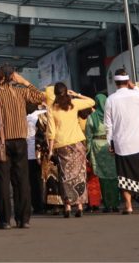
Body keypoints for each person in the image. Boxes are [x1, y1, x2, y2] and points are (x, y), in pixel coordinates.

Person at [0, 65, 46, 229]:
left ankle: (4, 220)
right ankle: (23, 219)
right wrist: (25, 82)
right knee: (22, 180)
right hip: (21, 141)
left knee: (2, 181)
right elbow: (41, 97)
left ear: (0, 76)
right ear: (13, 76)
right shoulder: (21, 92)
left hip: (1, 142)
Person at [105, 69, 139, 214]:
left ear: (115, 83)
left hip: (122, 143)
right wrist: (135, 87)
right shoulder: (136, 95)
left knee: (124, 176)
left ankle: (128, 206)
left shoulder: (110, 100)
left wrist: (110, 143)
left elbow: (108, 125)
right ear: (128, 81)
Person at [46, 83, 96, 218]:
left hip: (62, 145)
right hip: (77, 143)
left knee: (65, 176)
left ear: (55, 94)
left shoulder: (51, 109)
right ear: (66, 92)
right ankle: (79, 206)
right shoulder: (73, 104)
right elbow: (92, 101)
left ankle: (67, 206)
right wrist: (77, 95)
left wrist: (50, 150)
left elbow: (51, 131)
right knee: (80, 174)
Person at [85, 94, 119, 213]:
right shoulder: (112, 115)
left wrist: (87, 152)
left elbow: (88, 137)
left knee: (103, 178)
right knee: (114, 176)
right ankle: (115, 203)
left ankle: (107, 204)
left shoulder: (91, 117)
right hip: (111, 147)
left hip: (97, 148)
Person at [25, 105, 44, 214]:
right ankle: (42, 204)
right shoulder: (39, 116)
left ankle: (36, 205)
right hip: (38, 153)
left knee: (31, 181)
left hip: (27, 153)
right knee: (39, 180)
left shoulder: (24, 118)